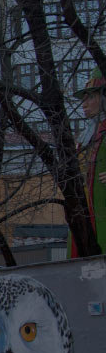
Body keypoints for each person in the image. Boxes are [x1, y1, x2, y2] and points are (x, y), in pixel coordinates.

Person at [71, 68, 106, 256]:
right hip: (85, 209)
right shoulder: (86, 134)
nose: (83, 105)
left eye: (90, 98)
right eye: (83, 99)